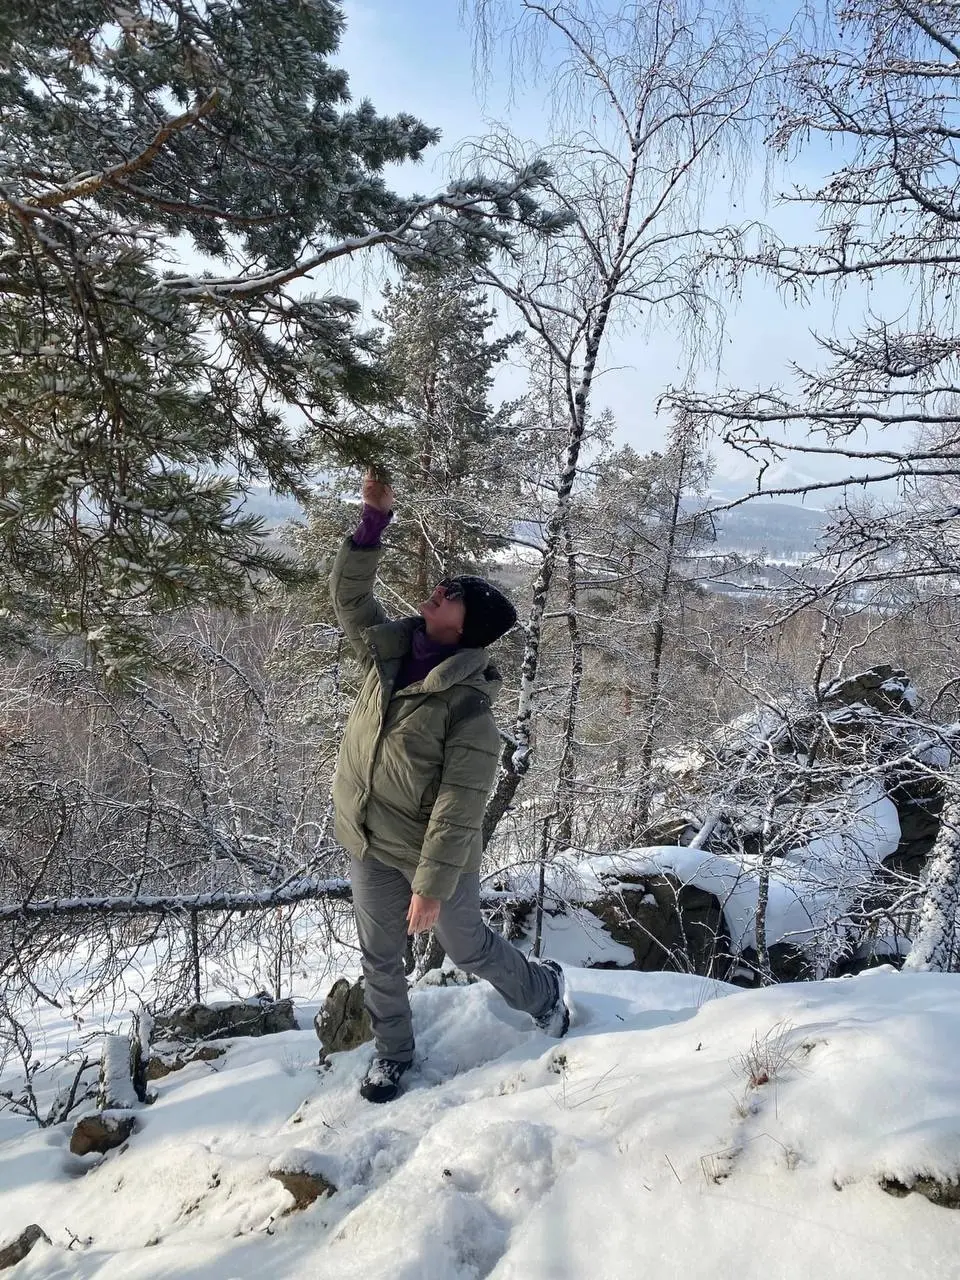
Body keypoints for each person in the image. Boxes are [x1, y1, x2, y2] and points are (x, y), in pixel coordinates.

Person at [330, 470, 570, 1103]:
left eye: (452, 595)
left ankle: (543, 992)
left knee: (468, 949)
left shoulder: (469, 712)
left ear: (466, 630)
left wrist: (431, 889)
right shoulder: (387, 653)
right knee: (380, 956)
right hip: (368, 837)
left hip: (433, 854)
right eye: (442, 587)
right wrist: (372, 522)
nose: (437, 593)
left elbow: (459, 809)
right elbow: (350, 600)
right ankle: (392, 1054)